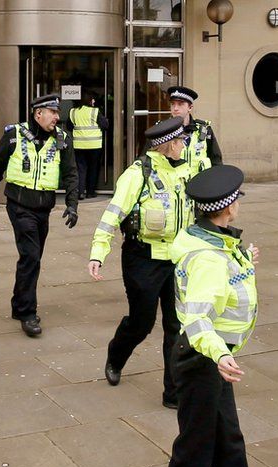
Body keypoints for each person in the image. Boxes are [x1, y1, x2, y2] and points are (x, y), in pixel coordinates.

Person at [156, 165, 278, 467]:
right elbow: (195, 317)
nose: (239, 203)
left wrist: (244, 261)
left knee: (227, 438)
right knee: (196, 445)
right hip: (202, 359)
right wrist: (218, 355)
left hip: (212, 359)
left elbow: (223, 276)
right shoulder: (208, 257)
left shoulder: (214, 240)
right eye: (237, 198)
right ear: (227, 208)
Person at [89, 117, 200, 408]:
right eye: (180, 141)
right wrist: (98, 252)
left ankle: (173, 392)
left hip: (177, 259)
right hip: (143, 260)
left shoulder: (187, 172)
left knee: (176, 325)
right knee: (142, 322)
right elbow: (113, 213)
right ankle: (116, 355)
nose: (184, 145)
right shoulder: (138, 174)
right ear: (167, 145)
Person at [0, 94, 79, 337]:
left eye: (57, 112)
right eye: (53, 112)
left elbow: (71, 173)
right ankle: (27, 312)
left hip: (43, 208)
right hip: (19, 206)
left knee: (31, 258)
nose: (57, 117)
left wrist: (72, 204)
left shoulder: (62, 140)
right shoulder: (14, 134)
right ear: (38, 114)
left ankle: (18, 303)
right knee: (31, 256)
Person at [167, 86, 222, 171]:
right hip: (173, 183)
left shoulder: (204, 130)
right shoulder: (162, 131)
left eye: (180, 104)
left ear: (190, 107)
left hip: (200, 183)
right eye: (172, 104)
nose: (175, 108)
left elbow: (216, 161)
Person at [67, 92, 109, 199]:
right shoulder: (94, 111)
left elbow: (69, 126)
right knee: (93, 168)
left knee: (81, 169)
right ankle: (90, 192)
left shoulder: (73, 112)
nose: (94, 101)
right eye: (93, 99)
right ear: (90, 101)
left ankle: (80, 192)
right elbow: (105, 125)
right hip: (94, 145)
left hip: (79, 145)